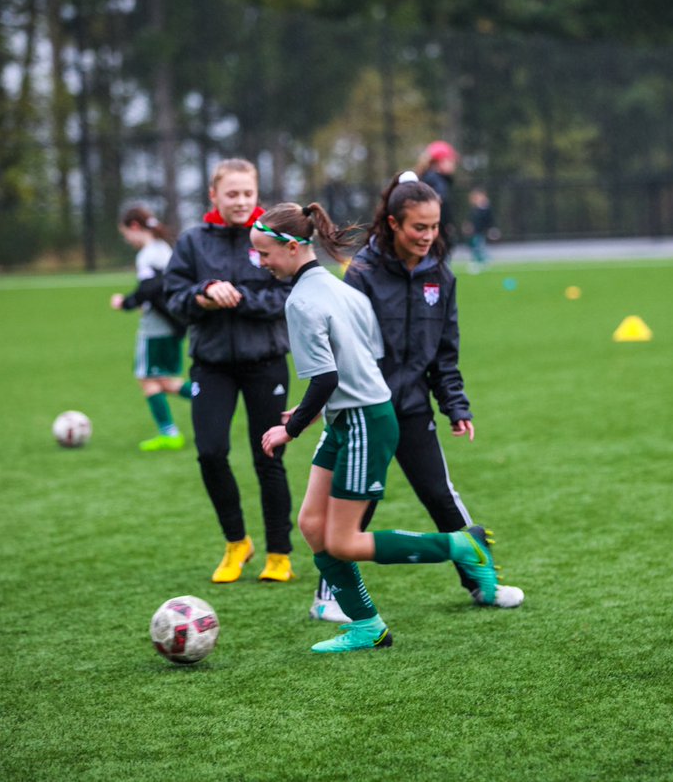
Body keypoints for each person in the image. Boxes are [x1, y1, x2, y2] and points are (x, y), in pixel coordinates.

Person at [253, 201, 506, 654]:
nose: (262, 262)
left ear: (292, 248)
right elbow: (360, 361)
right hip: (351, 415)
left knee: (344, 541)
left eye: (265, 253)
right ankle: (367, 626)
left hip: (364, 420)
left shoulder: (303, 300)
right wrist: (314, 410)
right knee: (312, 524)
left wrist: (292, 428)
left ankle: (462, 546)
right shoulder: (343, 290)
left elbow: (327, 377)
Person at [305, 172, 524, 623]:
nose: (427, 236)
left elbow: (445, 351)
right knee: (355, 504)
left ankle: (482, 584)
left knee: (441, 496)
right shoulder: (361, 275)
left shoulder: (440, 277)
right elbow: (340, 347)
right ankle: (329, 596)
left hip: (412, 408)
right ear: (392, 224)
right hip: (365, 410)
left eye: (434, 226)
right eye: (417, 227)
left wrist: (455, 405)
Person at [164, 159, 296, 584]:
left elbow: (288, 296)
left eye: (247, 194)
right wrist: (202, 295)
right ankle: (237, 542)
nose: (240, 202)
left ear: (258, 196)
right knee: (210, 452)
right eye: (232, 194)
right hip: (212, 365)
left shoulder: (276, 239)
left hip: (266, 363)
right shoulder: (192, 242)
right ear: (213, 196)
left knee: (269, 457)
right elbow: (173, 297)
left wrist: (237, 299)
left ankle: (279, 552)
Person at [111, 206, 192, 451]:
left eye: (126, 234)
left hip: (156, 328)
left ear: (135, 227)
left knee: (148, 379)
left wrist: (126, 302)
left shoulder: (147, 254)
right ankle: (204, 399)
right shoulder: (163, 249)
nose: (127, 240)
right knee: (162, 380)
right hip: (172, 324)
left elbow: (150, 288)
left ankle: (171, 430)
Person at [416, 140, 459, 247]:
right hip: (438, 237)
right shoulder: (436, 181)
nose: (454, 165)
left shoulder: (430, 178)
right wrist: (446, 226)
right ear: (440, 161)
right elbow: (441, 205)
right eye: (451, 160)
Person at [464, 187, 494, 273]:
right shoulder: (475, 208)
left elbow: (489, 220)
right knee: (476, 247)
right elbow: (471, 220)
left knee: (479, 246)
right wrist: (468, 226)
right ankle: (482, 260)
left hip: (480, 231)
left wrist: (490, 229)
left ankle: (482, 261)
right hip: (474, 232)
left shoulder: (485, 208)